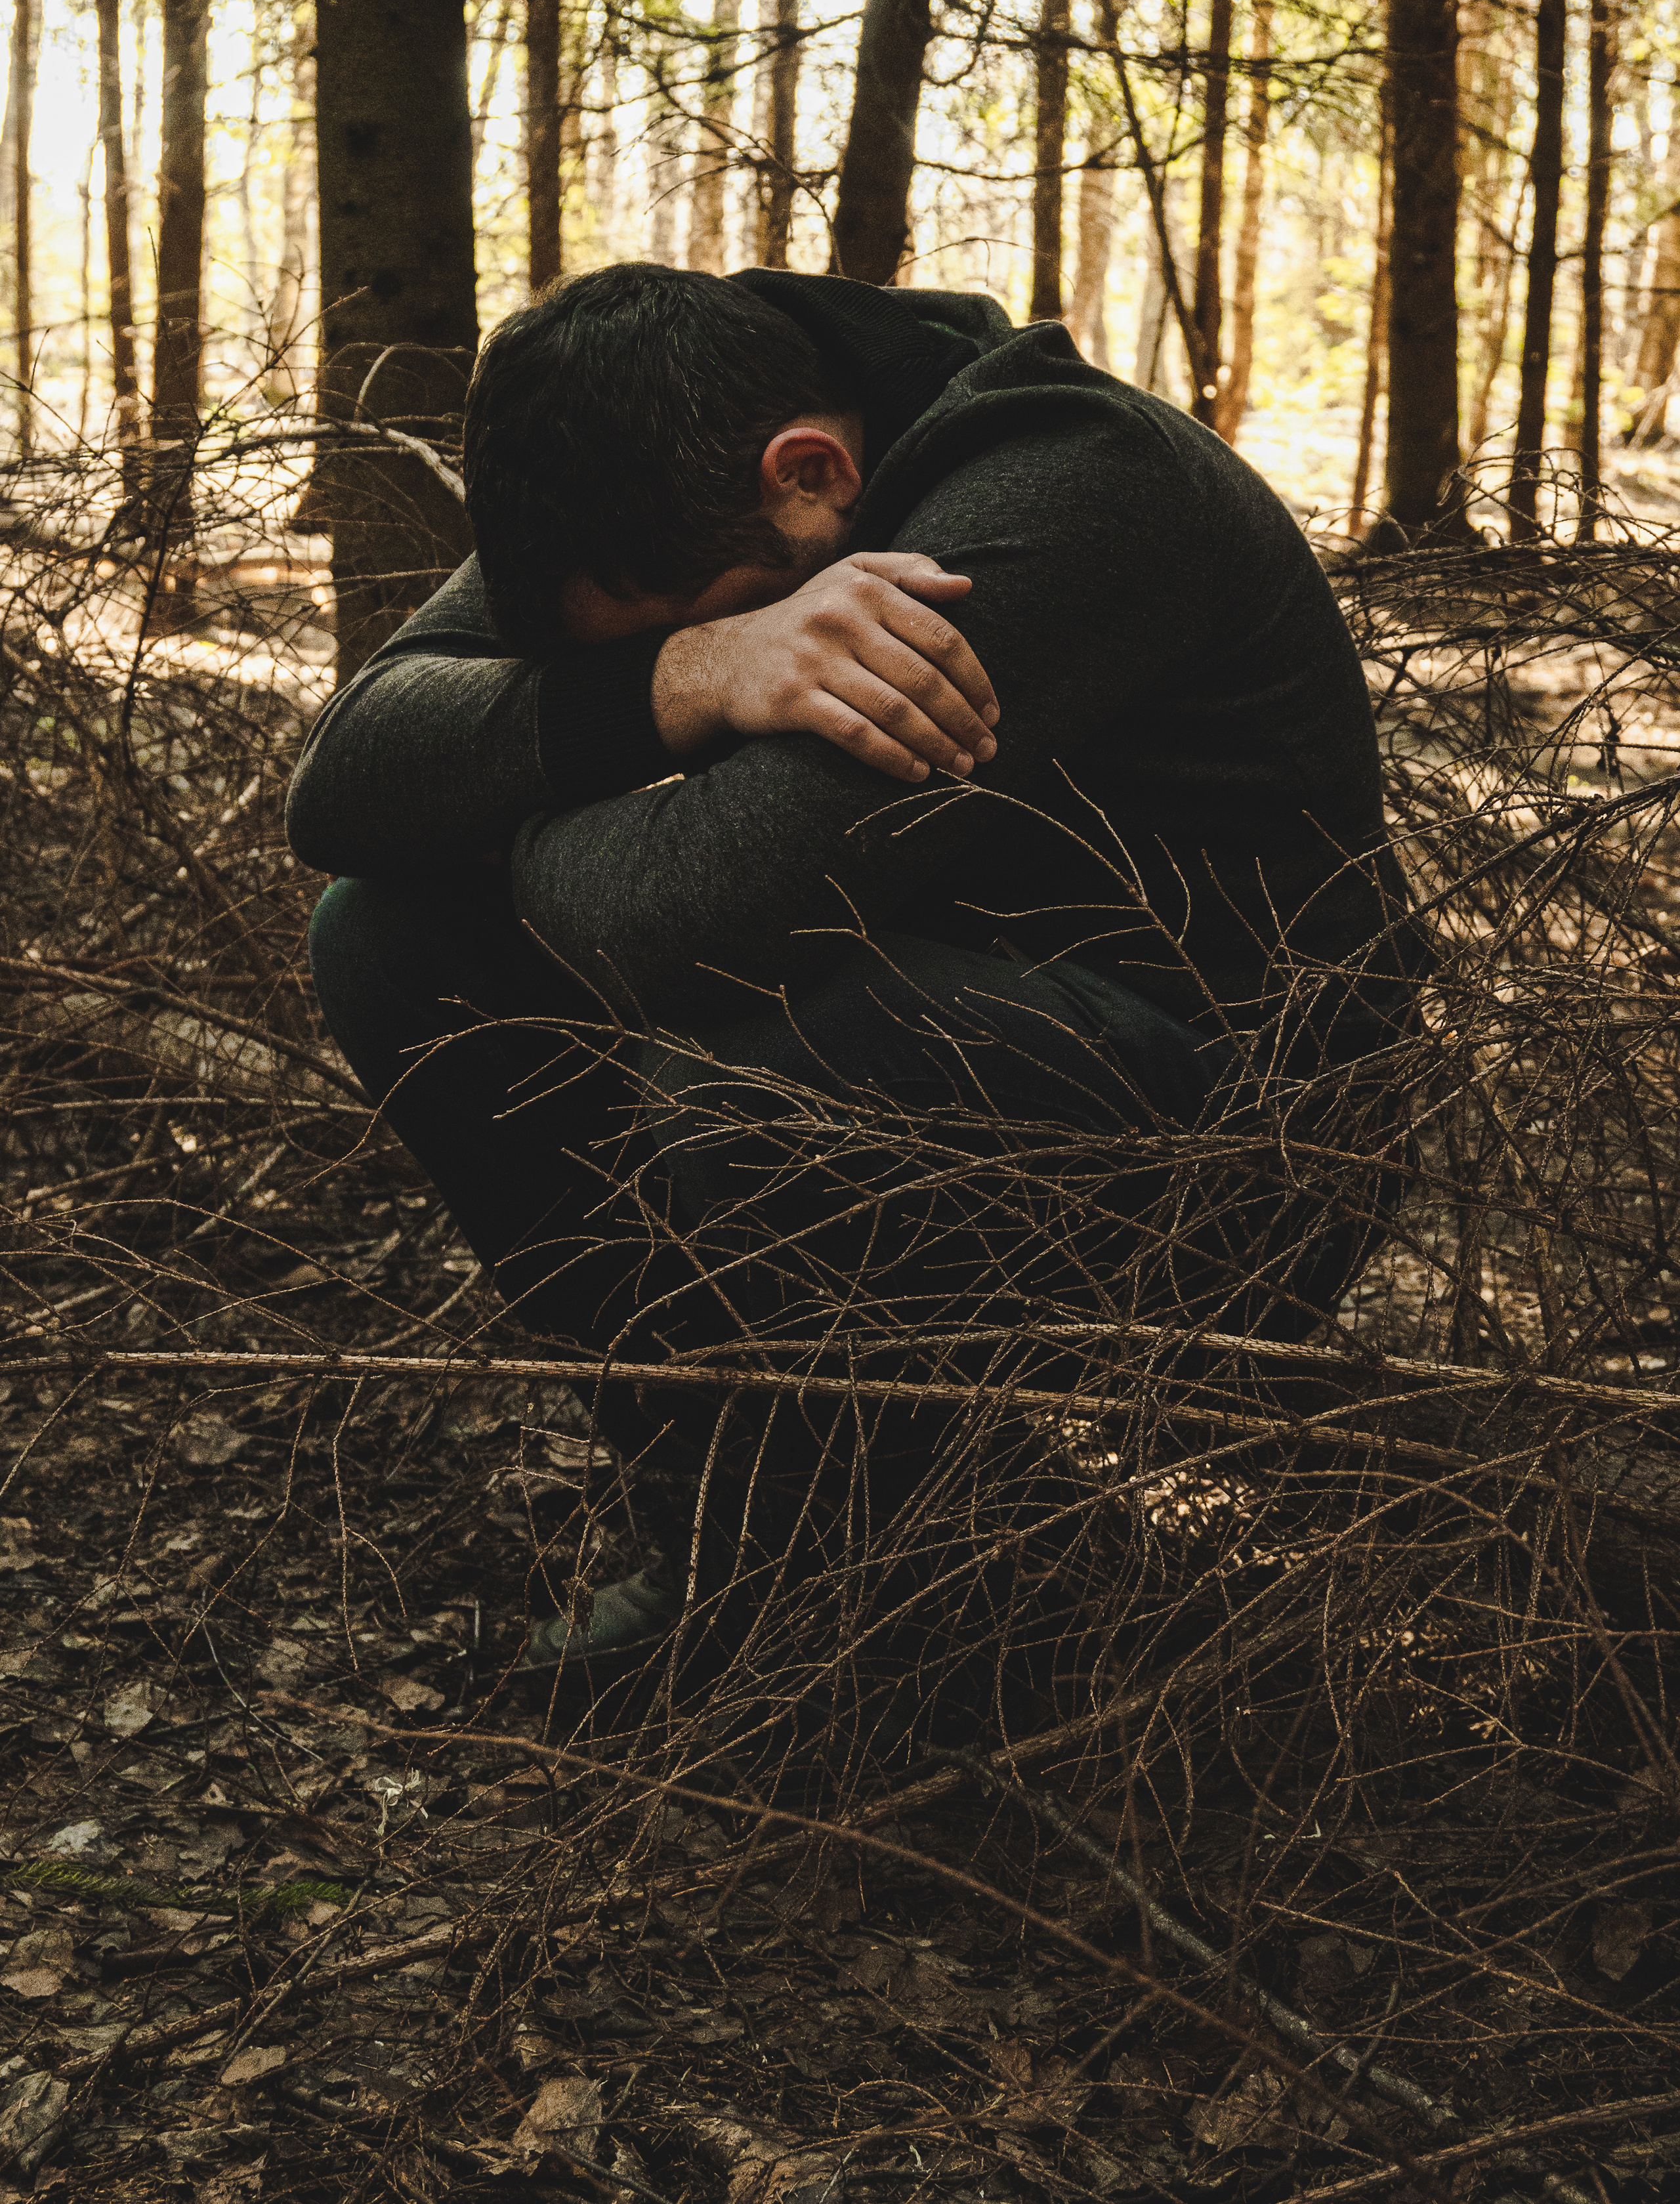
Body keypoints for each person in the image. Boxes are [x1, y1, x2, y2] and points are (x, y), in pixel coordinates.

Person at [288, 263, 1417, 1687]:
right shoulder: (658, 441)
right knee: (384, 931)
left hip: (1235, 1157)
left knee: (757, 1035)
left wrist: (528, 802)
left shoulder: (1068, 493)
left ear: (810, 475)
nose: (680, 652)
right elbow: (344, 779)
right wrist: (690, 669)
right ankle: (746, 1536)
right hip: (946, 1032)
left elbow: (698, 908)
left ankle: (912, 1605)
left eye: (680, 622)